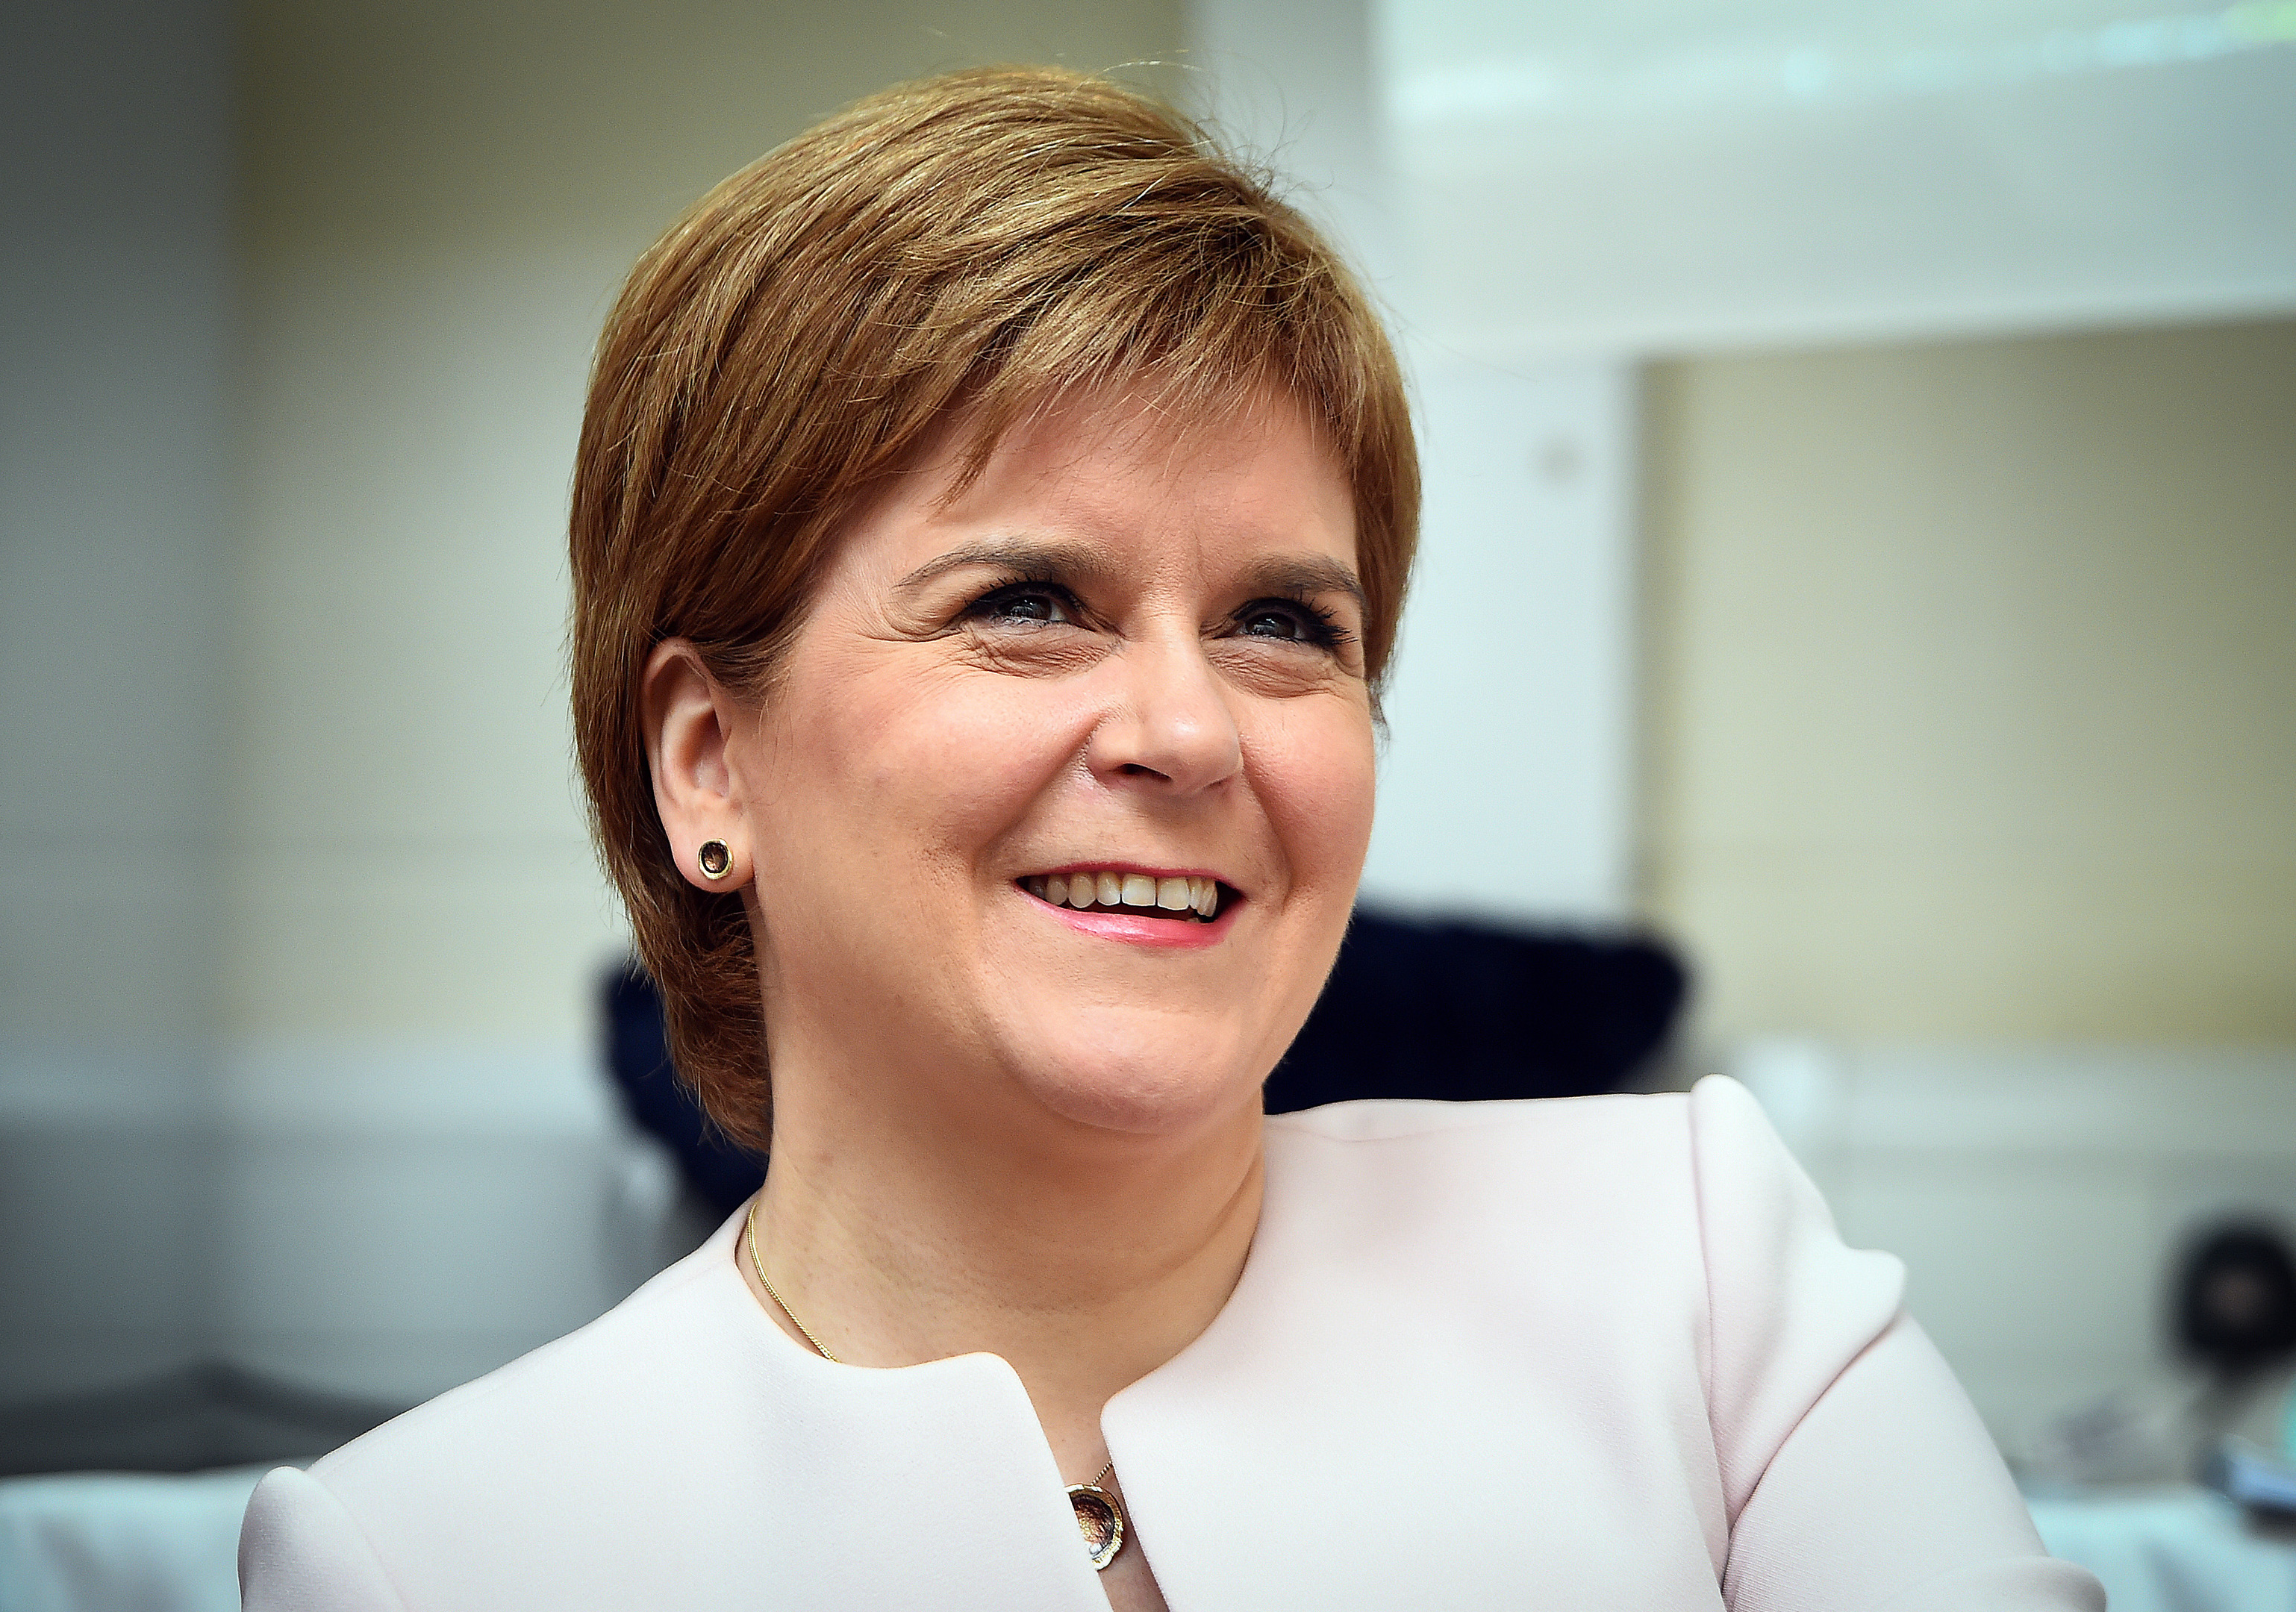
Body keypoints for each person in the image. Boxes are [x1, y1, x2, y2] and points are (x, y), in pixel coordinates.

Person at [237, 68, 2102, 1611]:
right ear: (709, 760)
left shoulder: (1701, 1278)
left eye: (1287, 624)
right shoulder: (428, 1559)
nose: (1191, 729)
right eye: (1029, 599)